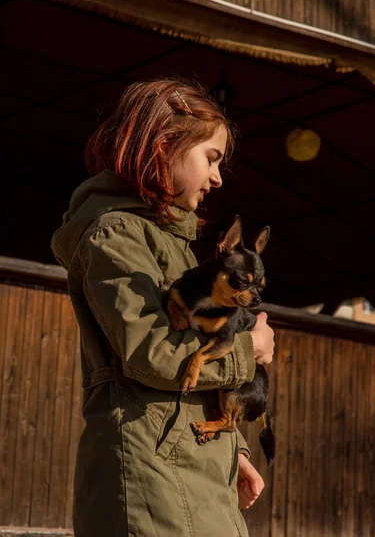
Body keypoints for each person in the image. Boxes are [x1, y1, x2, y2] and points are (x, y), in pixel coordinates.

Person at [51, 78, 275, 537]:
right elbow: (151, 353)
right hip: (150, 477)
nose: (217, 177)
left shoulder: (176, 245)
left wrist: (234, 453)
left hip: (194, 474)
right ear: (163, 145)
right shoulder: (115, 235)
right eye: (211, 158)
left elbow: (191, 374)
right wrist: (247, 350)